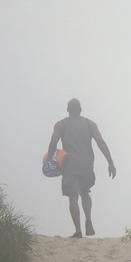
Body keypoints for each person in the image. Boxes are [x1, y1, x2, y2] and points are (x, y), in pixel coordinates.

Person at [47, 98, 116, 238]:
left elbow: (53, 142)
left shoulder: (61, 125)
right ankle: (89, 221)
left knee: (73, 197)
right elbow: (100, 142)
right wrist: (110, 162)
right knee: (85, 192)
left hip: (70, 165)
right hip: (87, 164)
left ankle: (78, 231)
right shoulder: (90, 124)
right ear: (80, 109)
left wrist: (50, 160)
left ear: (68, 109)